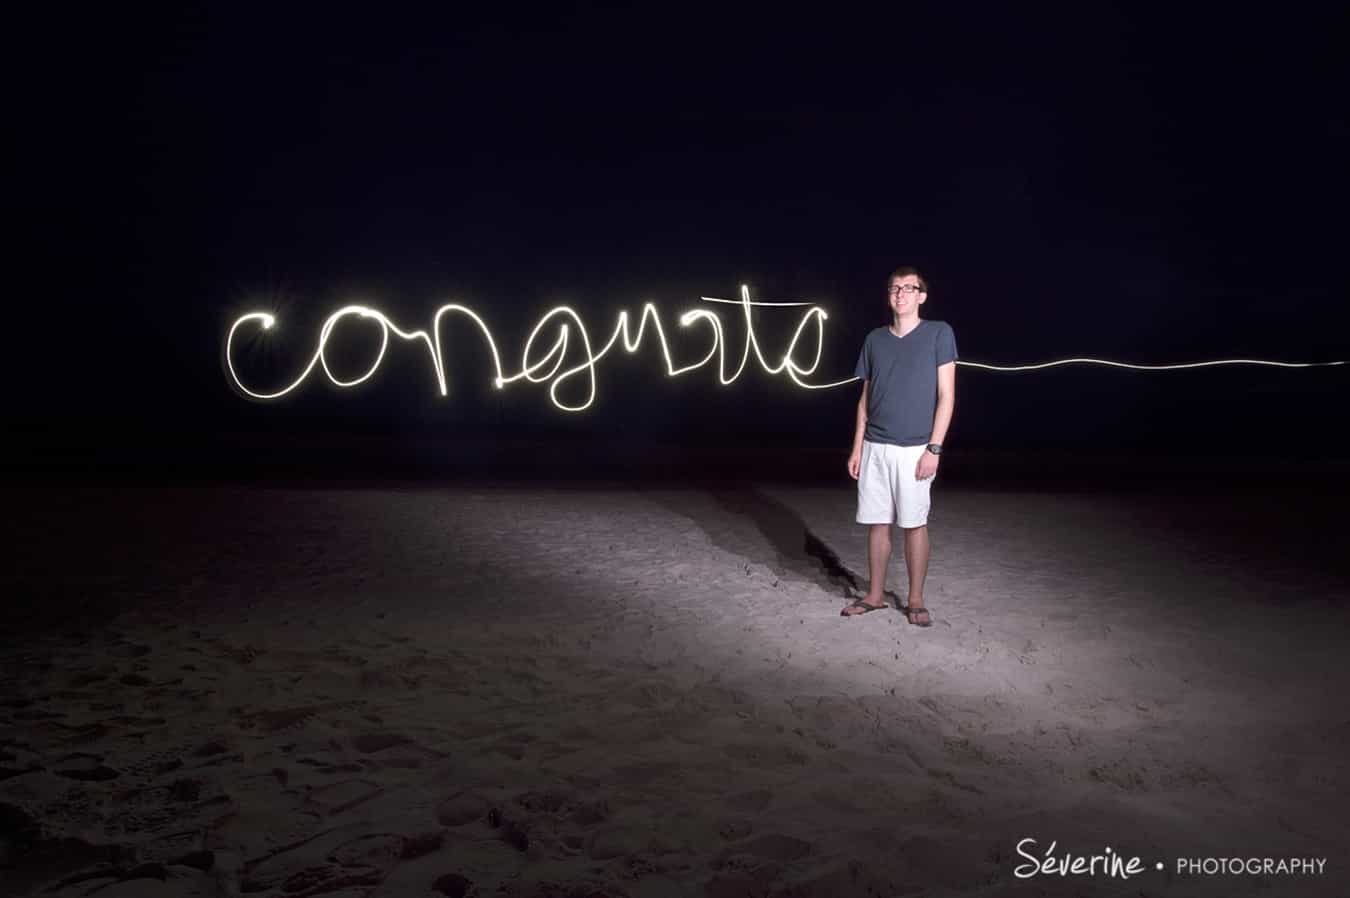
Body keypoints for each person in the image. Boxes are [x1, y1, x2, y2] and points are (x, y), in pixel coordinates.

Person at [842, 266, 957, 625]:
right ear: (889, 296)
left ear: (922, 295)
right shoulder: (875, 339)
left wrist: (934, 448)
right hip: (876, 445)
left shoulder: (939, 333)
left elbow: (947, 395)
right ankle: (875, 596)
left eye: (909, 288)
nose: (901, 294)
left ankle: (916, 600)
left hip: (915, 448)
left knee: (914, 524)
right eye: (895, 288)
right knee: (877, 523)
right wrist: (857, 446)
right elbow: (866, 396)